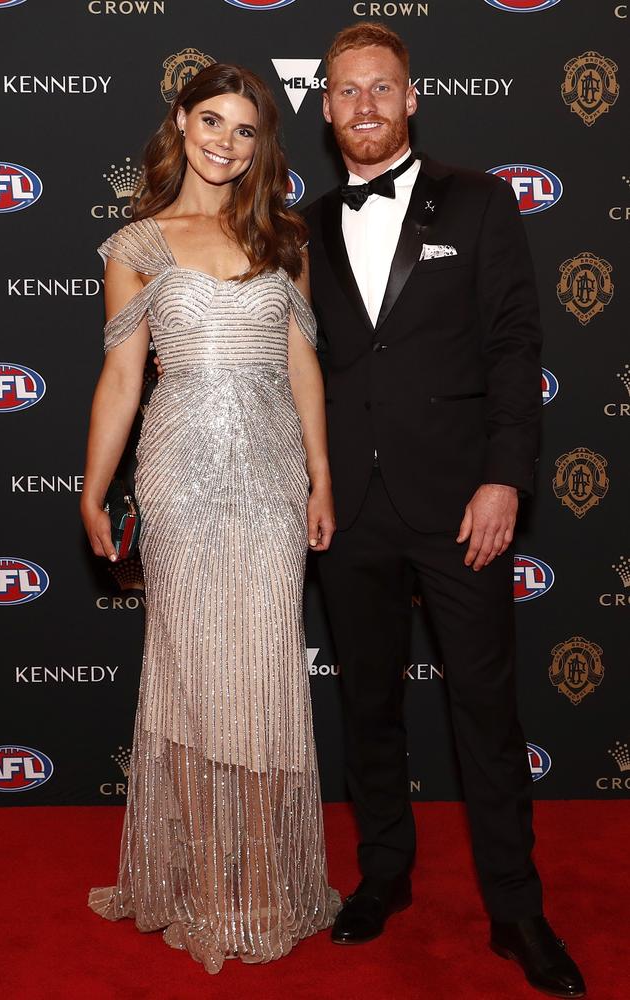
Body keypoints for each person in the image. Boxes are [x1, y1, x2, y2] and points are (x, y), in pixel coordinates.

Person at [304, 23, 585, 999]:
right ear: (326, 105)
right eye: (347, 90)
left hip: (461, 501)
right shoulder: (300, 227)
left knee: (485, 712)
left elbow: (514, 342)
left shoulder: (478, 199)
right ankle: (384, 873)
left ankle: (514, 910)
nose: (366, 105)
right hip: (346, 509)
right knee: (368, 703)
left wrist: (505, 474)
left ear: (410, 98)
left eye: (382, 87)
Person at [80, 62, 339, 975]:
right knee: (190, 674)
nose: (227, 144)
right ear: (181, 122)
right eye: (212, 122)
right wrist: (92, 488)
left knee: (265, 671)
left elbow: (304, 367)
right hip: (182, 472)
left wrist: (319, 477)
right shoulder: (138, 244)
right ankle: (194, 883)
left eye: (246, 131)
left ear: (262, 144)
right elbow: (122, 377)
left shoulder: (285, 237)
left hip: (270, 478)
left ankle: (264, 878)